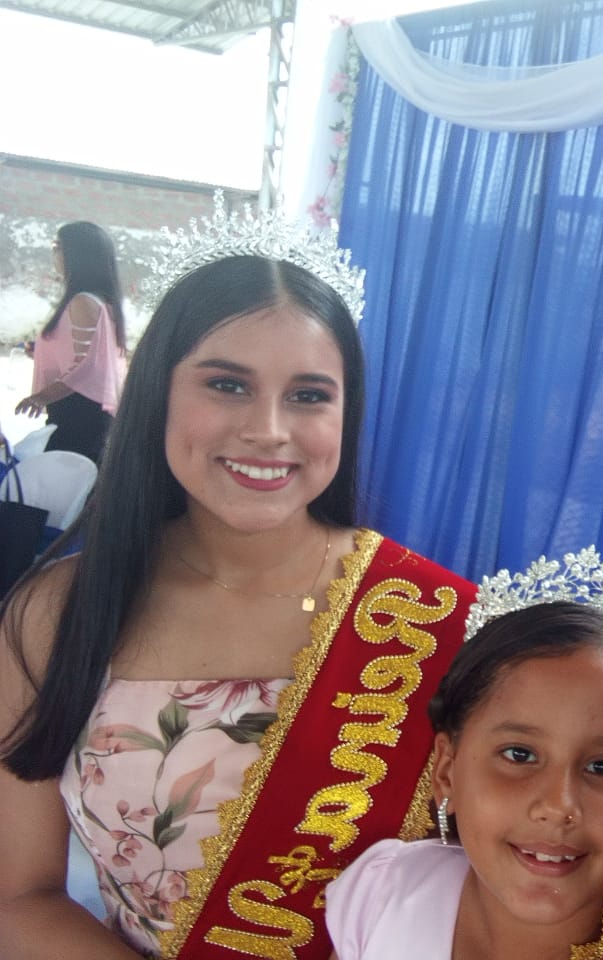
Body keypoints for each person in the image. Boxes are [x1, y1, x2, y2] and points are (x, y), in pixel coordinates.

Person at [0, 198, 475, 959]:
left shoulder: (436, 620)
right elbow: (20, 897)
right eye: (227, 384)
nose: (268, 430)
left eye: (309, 395)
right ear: (157, 391)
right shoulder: (58, 612)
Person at [325, 548, 603, 959]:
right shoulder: (385, 891)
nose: (558, 806)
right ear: (446, 770)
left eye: (602, 766)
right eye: (519, 755)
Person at [16, 221, 128, 463]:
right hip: (84, 410)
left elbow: (86, 366)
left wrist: (41, 397)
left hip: (77, 412)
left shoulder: (83, 301)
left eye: (58, 247)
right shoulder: (100, 300)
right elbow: (91, 355)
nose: (54, 254)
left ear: (78, 254)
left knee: (63, 478)